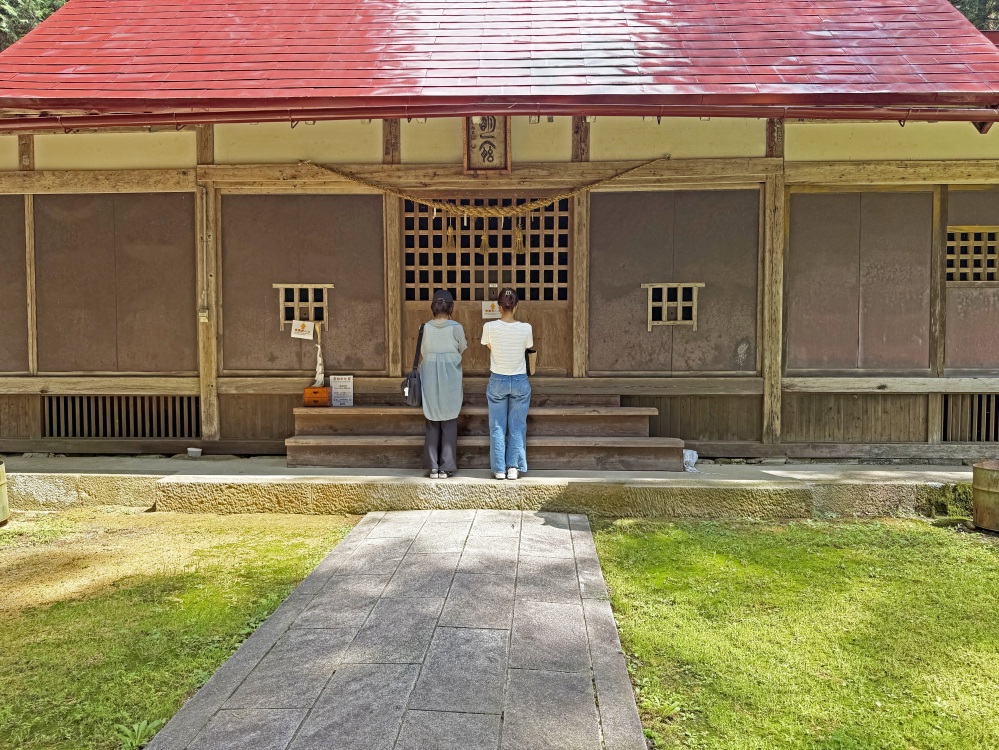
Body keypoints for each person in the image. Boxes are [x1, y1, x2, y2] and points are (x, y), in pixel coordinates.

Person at [481, 287, 533, 480]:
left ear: (499, 307)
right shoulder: (526, 328)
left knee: (497, 426)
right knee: (517, 425)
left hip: (498, 379)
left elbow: (490, 346)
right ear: (516, 306)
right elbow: (527, 347)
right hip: (519, 379)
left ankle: (499, 469)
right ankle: (513, 467)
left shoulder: (489, 328)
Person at [419, 289, 467, 478]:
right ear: (451, 307)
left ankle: (432, 466)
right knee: (449, 420)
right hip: (450, 376)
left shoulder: (424, 328)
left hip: (430, 374)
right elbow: (462, 348)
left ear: (433, 307)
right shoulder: (456, 327)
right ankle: (446, 467)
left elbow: (423, 351)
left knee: (432, 420)